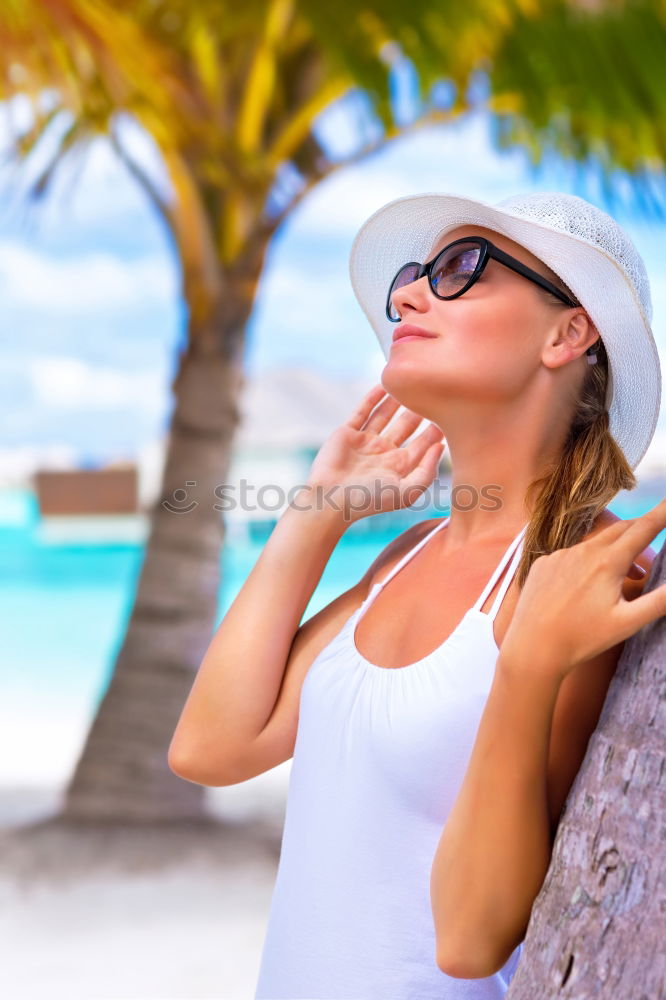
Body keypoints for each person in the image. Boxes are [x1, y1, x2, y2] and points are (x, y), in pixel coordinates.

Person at [168, 191, 665, 999]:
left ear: (568, 332)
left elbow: (471, 942)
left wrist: (531, 664)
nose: (407, 294)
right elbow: (212, 748)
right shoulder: (407, 555)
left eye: (460, 269)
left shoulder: (590, 571)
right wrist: (316, 514)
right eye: (413, 274)